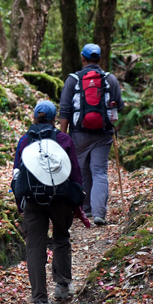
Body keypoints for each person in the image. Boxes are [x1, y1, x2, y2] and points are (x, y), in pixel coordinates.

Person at [13, 100, 84, 304]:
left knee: (34, 247)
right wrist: (77, 201)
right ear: (55, 119)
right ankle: (62, 286)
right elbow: (74, 173)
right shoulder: (63, 139)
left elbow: (17, 174)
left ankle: (39, 301)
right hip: (60, 198)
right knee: (61, 237)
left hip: (33, 201)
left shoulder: (25, 140)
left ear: (34, 117)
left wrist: (20, 205)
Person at [59, 43, 124, 226]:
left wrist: (62, 137)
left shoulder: (73, 80)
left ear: (83, 58)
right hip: (103, 134)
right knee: (99, 171)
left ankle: (85, 207)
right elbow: (119, 105)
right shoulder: (110, 79)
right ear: (100, 59)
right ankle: (99, 213)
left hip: (79, 134)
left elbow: (65, 110)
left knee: (81, 171)